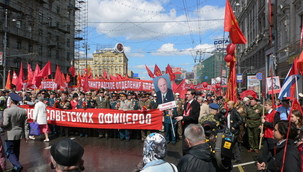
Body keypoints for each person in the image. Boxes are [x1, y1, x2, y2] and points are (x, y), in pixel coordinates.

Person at [2, 93, 28, 172]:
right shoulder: (23, 111)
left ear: (11, 101)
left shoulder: (7, 110)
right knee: (16, 151)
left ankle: (17, 165)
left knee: (9, 152)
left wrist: (1, 124)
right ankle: (16, 167)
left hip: (10, 134)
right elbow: (26, 125)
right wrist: (26, 136)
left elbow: (5, 124)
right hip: (19, 134)